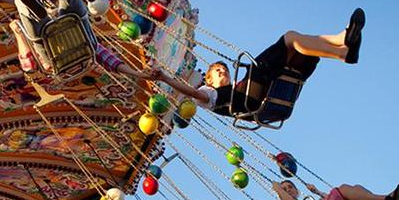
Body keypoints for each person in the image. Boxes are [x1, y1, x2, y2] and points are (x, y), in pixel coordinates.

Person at [151, 9, 365, 123]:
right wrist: (165, 79)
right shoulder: (208, 94)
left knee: (296, 45)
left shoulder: (235, 85)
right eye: (218, 71)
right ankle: (341, 45)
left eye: (224, 68)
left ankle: (343, 46)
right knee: (288, 38)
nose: (223, 70)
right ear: (209, 80)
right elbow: (193, 93)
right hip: (250, 98)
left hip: (266, 88)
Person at [9, 0, 151, 81]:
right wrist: (139, 74)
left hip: (50, 51)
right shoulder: (91, 48)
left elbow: (29, 66)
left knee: (21, 4)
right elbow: (112, 62)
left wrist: (18, 33)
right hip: (79, 35)